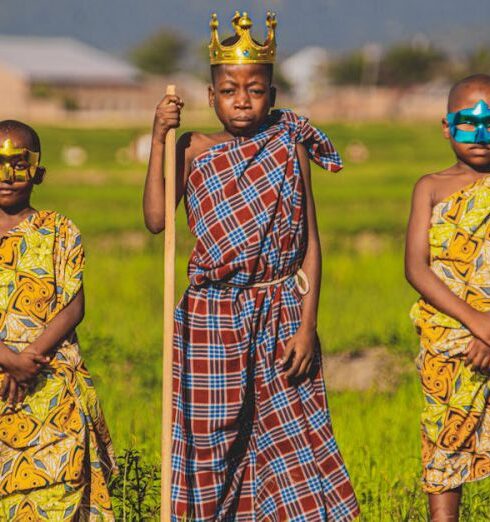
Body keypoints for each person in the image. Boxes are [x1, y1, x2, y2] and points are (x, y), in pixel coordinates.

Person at [144, 11, 359, 521]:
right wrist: (158, 139)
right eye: (228, 90)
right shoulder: (192, 148)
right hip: (211, 317)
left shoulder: (289, 144)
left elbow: (310, 241)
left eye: (255, 89)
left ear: (274, 95)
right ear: (210, 95)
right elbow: (156, 219)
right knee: (210, 440)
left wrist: (307, 326)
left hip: (282, 308)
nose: (242, 100)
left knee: (289, 436)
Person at [0, 120, 117, 520]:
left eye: (19, 165)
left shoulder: (60, 230)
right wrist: (7, 358)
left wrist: (29, 355)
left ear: (38, 172)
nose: (7, 177)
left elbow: (73, 307)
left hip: (50, 384)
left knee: (59, 492)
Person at [406, 74, 490, 521]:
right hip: (449, 345)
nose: (480, 135)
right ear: (445, 126)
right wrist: (477, 322)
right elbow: (416, 268)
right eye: (466, 123)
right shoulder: (431, 188)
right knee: (445, 453)